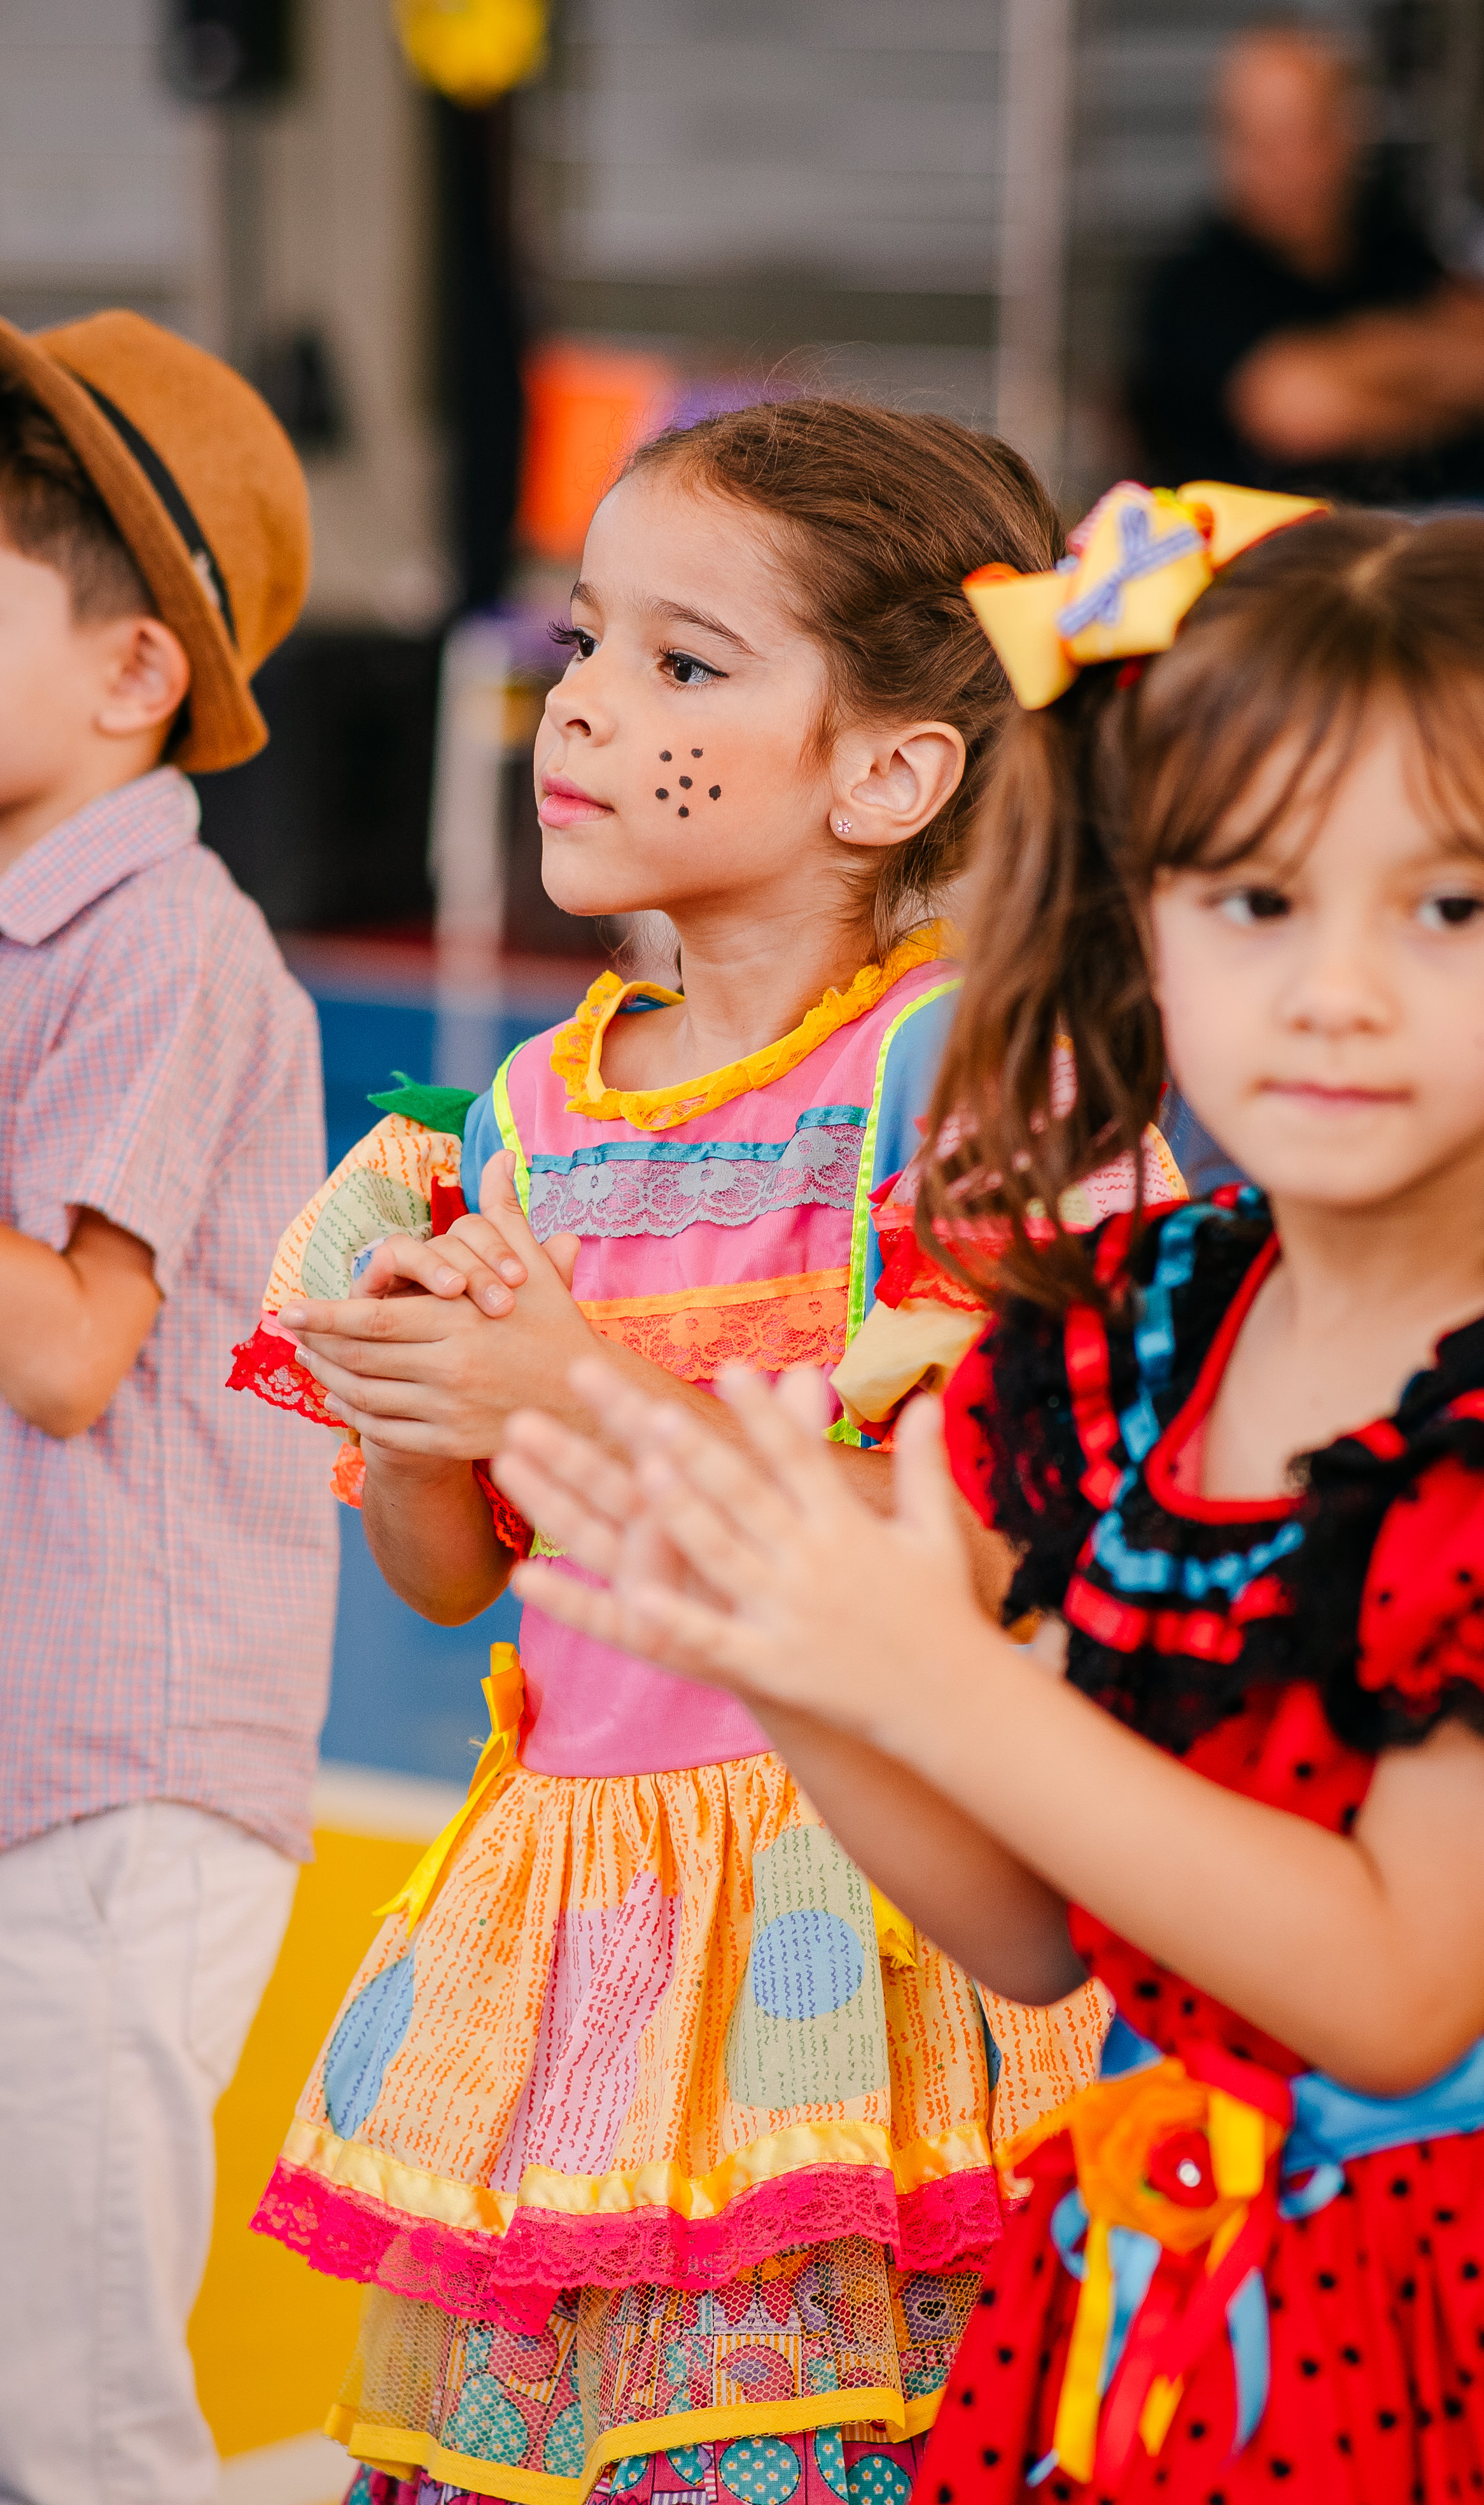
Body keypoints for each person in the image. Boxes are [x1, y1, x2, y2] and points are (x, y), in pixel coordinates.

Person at [493, 481, 1484, 2500]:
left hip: (1416, 2323)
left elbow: (1395, 1998)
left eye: (1449, 908)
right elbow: (1033, 1937)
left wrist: (932, 1679)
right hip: (1138, 2295)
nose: (1338, 989)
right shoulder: (1130, 1335)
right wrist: (785, 1649)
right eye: (1254, 900)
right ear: (1140, 917)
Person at [241, 402, 1184, 2505]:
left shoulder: (956, 1082)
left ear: (889, 774)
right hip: (574, 1922)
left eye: (683, 662)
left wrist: (564, 1388)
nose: (582, 705)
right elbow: (455, 1580)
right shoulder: (522, 1119)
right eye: (586, 640)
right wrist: (417, 1412)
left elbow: (1003, 1543)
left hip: (855, 1908)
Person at [0, 292, 337, 2505]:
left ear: (133, 674)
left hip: (103, 1766)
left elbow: (58, 1345)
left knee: (71, 2418)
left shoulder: (165, 942)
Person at [1130, 22, 1484, 505]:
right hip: (1273, 546)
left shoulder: (1397, 244)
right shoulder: (1193, 288)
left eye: (1305, 134)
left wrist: (1356, 368)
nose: (1287, 164)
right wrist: (1430, 377)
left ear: (1349, 131)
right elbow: (1296, 411)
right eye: (1262, 141)